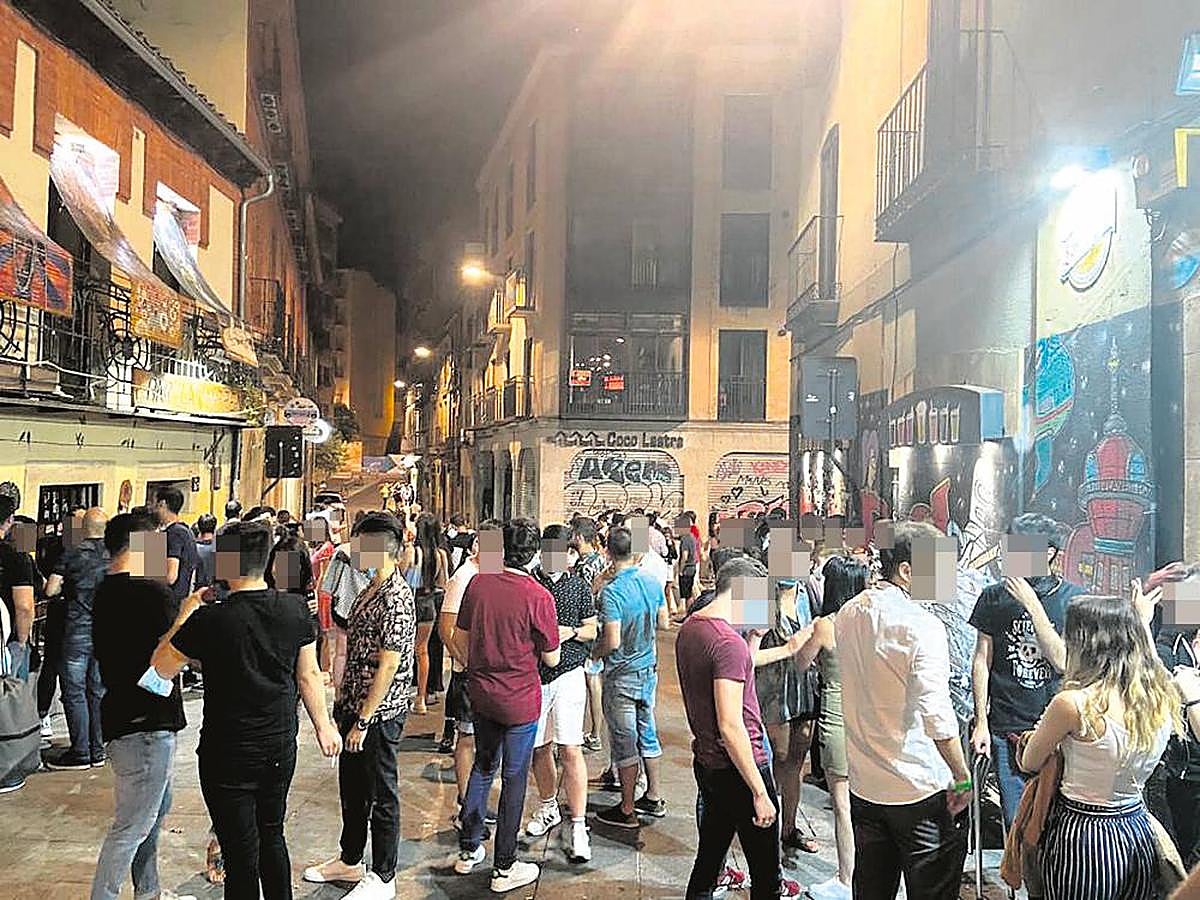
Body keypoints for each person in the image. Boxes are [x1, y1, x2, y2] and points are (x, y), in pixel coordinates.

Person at [150, 520, 341, 900]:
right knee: (272, 834)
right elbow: (309, 676)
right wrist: (324, 726)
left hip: (226, 752)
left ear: (225, 564)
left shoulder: (210, 619)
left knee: (239, 854)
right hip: (278, 746)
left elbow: (159, 671)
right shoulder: (293, 611)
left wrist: (186, 612)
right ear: (268, 562)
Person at [835, 520, 972, 900]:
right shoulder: (922, 625)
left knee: (872, 889)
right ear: (907, 570)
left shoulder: (849, 612)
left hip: (865, 785)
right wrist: (962, 777)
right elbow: (937, 716)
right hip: (918, 790)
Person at [1018, 592, 1180, 900]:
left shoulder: (1073, 703)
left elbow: (1029, 761)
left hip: (1080, 835)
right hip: (1136, 828)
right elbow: (1153, 664)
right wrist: (1141, 621)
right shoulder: (1160, 697)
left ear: (1086, 643)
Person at [304, 513, 417, 899]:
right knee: (353, 787)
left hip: (379, 713)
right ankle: (351, 859)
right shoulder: (370, 587)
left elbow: (389, 664)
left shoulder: (396, 596)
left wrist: (364, 720)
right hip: (353, 702)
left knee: (381, 792)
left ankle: (384, 875)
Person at [677, 557, 799, 900]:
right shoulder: (726, 642)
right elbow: (731, 725)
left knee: (709, 859)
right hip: (741, 767)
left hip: (709, 763)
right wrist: (760, 791)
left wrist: (756, 639)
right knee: (766, 875)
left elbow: (732, 674)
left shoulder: (693, 627)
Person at [450, 518, 560, 893]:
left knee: (483, 766)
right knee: (514, 778)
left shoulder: (478, 584)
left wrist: (479, 664)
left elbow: (459, 637)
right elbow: (552, 657)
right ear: (533, 555)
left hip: (482, 693)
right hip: (519, 698)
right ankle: (504, 865)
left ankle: (468, 849)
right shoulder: (538, 595)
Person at [90, 511, 188, 900]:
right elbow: (177, 648)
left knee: (152, 815)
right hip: (147, 724)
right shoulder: (150, 593)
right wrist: (190, 612)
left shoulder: (106, 588)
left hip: (123, 716)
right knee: (133, 824)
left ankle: (149, 892)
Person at [969, 513, 1084, 828]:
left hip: (1059, 728)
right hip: (1007, 726)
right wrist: (981, 721)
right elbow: (982, 659)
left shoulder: (1072, 599)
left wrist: (1032, 605)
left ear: (1048, 553)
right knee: (1018, 823)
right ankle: (1022, 878)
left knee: (1056, 824)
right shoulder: (993, 596)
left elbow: (1062, 661)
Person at [792, 555, 870, 900]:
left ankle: (845, 878)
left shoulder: (827, 624)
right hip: (871, 719)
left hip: (837, 716)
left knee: (842, 804)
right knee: (869, 801)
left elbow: (800, 662)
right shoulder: (872, 621)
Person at [524, 524, 598, 863]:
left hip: (568, 674)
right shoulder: (530, 583)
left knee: (571, 748)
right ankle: (548, 806)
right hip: (534, 677)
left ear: (570, 554)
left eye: (562, 552)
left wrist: (566, 633)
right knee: (539, 747)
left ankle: (579, 825)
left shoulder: (579, 587)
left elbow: (591, 629)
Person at [593, 526, 671, 828]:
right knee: (647, 732)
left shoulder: (612, 592)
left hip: (621, 675)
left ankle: (626, 808)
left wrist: (595, 653)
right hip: (648, 669)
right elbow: (664, 623)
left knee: (624, 742)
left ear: (608, 553)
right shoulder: (651, 582)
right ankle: (652, 795)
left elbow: (611, 640)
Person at [747, 574, 821, 857]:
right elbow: (747, 656)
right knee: (774, 759)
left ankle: (788, 828)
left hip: (804, 689)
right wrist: (788, 649)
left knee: (796, 762)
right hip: (770, 693)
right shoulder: (755, 591)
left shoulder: (811, 590)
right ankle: (765, 829)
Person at [439, 520, 502, 813]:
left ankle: (477, 798)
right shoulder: (464, 576)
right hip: (470, 674)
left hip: (492, 674)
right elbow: (446, 626)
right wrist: (464, 662)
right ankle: (467, 801)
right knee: (467, 737)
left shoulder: (496, 575)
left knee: (486, 740)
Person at [43, 507, 109, 770]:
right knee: (97, 689)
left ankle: (81, 752)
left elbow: (51, 589)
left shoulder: (71, 553)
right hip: (105, 630)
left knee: (73, 691)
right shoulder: (115, 553)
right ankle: (98, 748)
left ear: (84, 528)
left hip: (77, 628)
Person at [573, 518, 608, 753]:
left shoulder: (586, 566)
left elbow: (583, 599)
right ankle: (595, 732)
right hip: (601, 623)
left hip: (589, 627)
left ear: (578, 536)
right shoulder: (600, 560)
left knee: (591, 679)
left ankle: (595, 733)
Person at [412, 513, 449, 714]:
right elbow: (443, 584)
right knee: (423, 650)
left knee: (405, 649)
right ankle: (422, 697)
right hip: (430, 604)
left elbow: (404, 578)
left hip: (414, 601)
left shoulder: (413, 552)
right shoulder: (439, 554)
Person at [0, 495, 36, 681]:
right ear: (9, 520)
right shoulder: (18, 558)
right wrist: (22, 642)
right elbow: (24, 606)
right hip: (7, 639)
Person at [152, 487, 200, 618]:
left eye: (156, 505)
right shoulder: (186, 530)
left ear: (163, 504)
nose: (155, 510)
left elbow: (170, 576)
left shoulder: (174, 533)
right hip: (181, 603)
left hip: (169, 605)